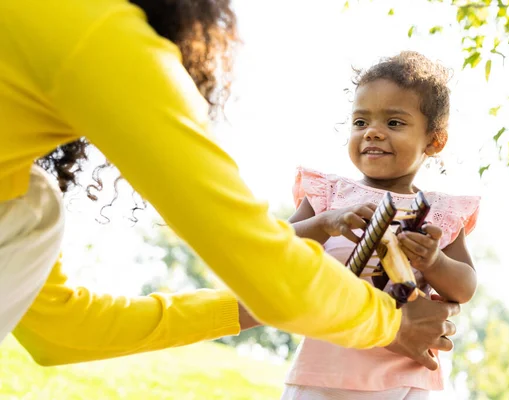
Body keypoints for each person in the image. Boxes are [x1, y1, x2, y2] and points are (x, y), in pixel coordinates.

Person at [0, 0, 459, 368]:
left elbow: (59, 332)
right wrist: (392, 323)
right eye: (361, 120)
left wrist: (264, 298)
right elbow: (269, 269)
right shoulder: (100, 31)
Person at [281, 51, 480, 399]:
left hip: (405, 379)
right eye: (361, 122)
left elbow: (464, 287)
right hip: (324, 371)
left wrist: (435, 262)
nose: (372, 133)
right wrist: (324, 223)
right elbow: (274, 246)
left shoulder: (440, 212)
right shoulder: (329, 194)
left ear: (434, 141)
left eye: (394, 123)